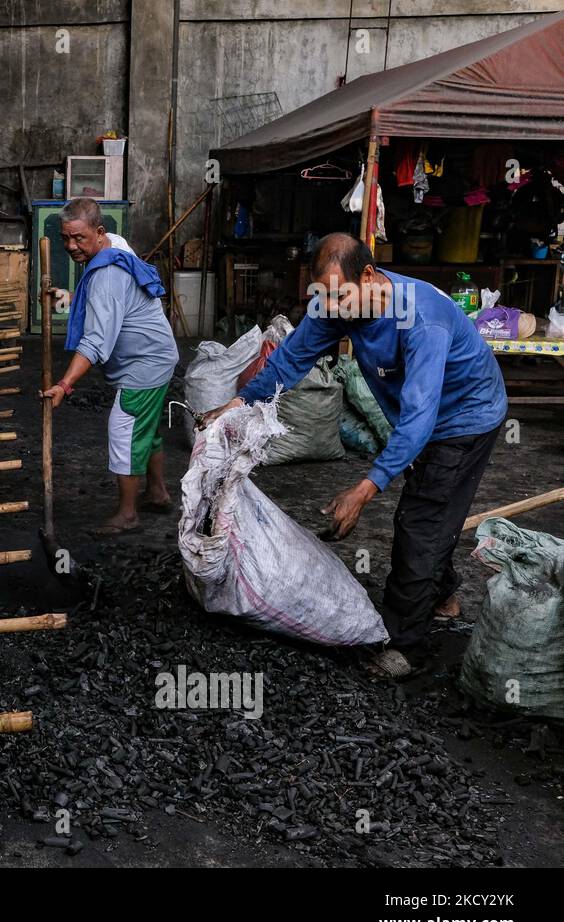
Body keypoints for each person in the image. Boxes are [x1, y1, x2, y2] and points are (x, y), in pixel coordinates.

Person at [202, 233, 507, 677]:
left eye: (339, 296)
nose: (332, 307)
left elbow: (421, 419)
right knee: (433, 510)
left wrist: (365, 489)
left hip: (464, 420)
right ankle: (443, 594)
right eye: (323, 297)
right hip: (419, 417)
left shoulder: (422, 319)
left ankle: (406, 646)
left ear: (368, 275)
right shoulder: (340, 301)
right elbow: (292, 358)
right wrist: (237, 405)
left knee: (420, 521)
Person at [40, 197, 179, 534]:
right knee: (145, 429)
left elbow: (94, 342)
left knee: (125, 430)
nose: (71, 246)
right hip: (158, 355)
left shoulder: (107, 274)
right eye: (65, 238)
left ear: (99, 232)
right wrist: (63, 296)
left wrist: (64, 384)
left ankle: (128, 515)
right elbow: (106, 302)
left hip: (143, 365)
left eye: (79, 238)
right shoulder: (116, 245)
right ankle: (157, 492)